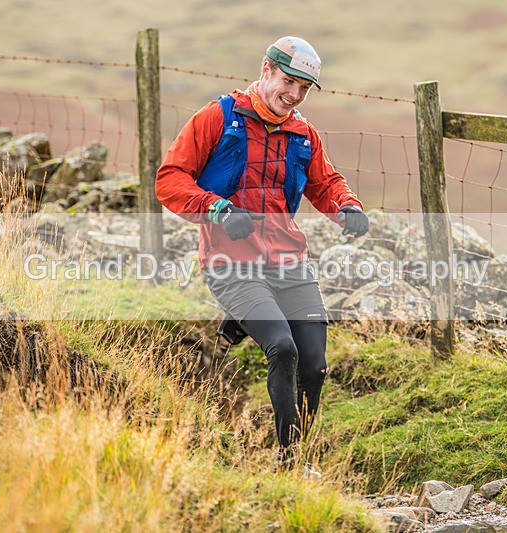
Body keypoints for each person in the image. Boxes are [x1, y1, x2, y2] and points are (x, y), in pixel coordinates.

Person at [155, 36, 369, 471]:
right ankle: (290, 464)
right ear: (266, 69)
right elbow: (170, 178)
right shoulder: (218, 117)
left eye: (304, 88)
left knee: (314, 365)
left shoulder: (302, 135)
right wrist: (216, 208)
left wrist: (347, 207)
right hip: (231, 262)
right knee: (283, 349)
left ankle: (300, 450)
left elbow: (325, 183)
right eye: (289, 81)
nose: (294, 95)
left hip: (288, 261)